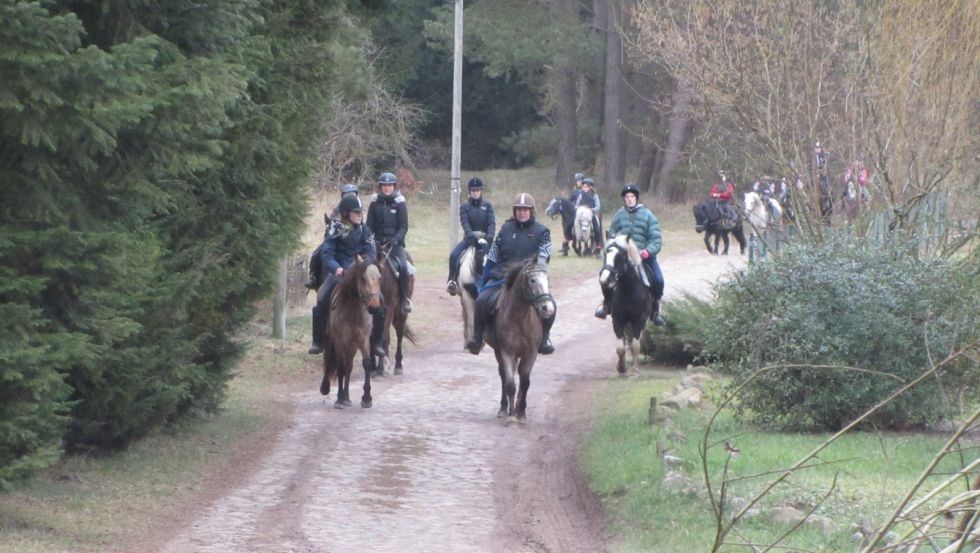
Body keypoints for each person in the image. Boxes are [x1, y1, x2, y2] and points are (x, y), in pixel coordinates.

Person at [465, 193, 555, 356]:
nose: (522, 212)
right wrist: (485, 280)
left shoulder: (542, 232)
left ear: (531, 211)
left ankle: (545, 339)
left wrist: (537, 274)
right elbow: (493, 255)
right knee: (481, 300)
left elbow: (543, 257)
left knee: (551, 306)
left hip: (530, 277)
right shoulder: (506, 228)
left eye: (525, 209)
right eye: (519, 209)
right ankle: (477, 338)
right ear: (515, 211)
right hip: (502, 275)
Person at [308, 195, 377, 354]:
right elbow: (327, 253)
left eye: (361, 212)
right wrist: (336, 268)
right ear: (346, 213)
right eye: (356, 212)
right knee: (322, 297)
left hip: (360, 274)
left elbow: (371, 252)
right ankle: (318, 340)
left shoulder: (365, 230)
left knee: (379, 300)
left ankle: (376, 341)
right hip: (339, 273)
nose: (360, 215)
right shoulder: (335, 228)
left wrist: (364, 263)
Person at [595, 183, 666, 326]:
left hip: (644, 257)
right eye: (626, 197)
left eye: (632, 196)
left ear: (636, 198)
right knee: (605, 276)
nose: (629, 199)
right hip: (623, 257)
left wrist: (648, 251)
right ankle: (606, 305)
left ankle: (655, 311)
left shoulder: (648, 215)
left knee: (659, 280)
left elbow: (656, 239)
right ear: (624, 199)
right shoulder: (619, 215)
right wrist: (612, 246)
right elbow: (612, 234)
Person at [366, 171, 412, 314]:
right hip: (377, 244)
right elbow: (369, 226)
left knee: (403, 267)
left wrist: (396, 239)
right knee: (365, 266)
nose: (387, 188)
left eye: (389, 185)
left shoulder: (400, 202)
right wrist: (371, 240)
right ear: (380, 186)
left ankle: (404, 300)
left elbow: (404, 226)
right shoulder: (374, 203)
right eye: (384, 185)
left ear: (394, 186)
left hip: (395, 244)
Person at [447, 176, 496, 296]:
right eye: (473, 191)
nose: (475, 193)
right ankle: (452, 280)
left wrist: (489, 238)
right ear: (470, 192)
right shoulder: (464, 207)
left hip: (486, 241)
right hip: (470, 240)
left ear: (481, 191)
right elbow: (465, 223)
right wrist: (472, 237)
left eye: (478, 190)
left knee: (498, 256)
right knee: (454, 255)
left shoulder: (488, 206)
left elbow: (491, 223)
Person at [307, 183, 361, 291]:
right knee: (316, 253)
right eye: (347, 195)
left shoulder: (358, 209)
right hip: (336, 239)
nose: (350, 197)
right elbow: (331, 221)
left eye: (352, 194)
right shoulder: (338, 209)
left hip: (352, 241)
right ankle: (313, 277)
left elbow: (361, 225)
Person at [574, 177, 603, 253]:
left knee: (596, 227)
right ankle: (574, 238)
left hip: (591, 214)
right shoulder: (581, 195)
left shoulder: (595, 195)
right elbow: (576, 205)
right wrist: (581, 208)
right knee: (574, 224)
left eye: (586, 187)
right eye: (583, 187)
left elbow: (598, 207)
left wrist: (590, 210)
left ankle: (598, 245)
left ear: (590, 187)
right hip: (582, 214)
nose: (585, 188)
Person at [561, 172, 587, 255]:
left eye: (579, 181)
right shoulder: (576, 190)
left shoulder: (583, 191)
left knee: (569, 224)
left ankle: (566, 243)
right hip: (574, 210)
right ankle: (565, 245)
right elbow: (570, 199)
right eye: (577, 181)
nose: (578, 182)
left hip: (580, 211)